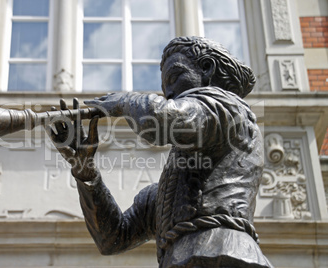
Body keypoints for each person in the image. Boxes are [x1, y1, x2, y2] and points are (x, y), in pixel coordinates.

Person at [48, 36, 273, 268]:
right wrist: (85, 172)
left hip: (225, 255)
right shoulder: (168, 198)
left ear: (206, 69)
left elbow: (163, 119)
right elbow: (112, 239)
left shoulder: (226, 106)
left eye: (175, 77)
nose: (170, 93)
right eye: (165, 88)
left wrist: (125, 102)